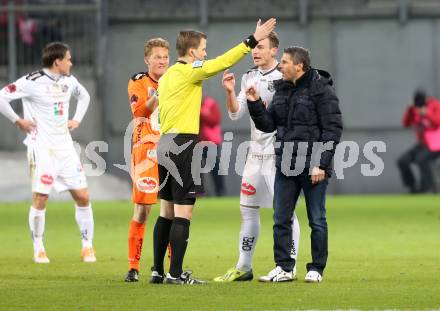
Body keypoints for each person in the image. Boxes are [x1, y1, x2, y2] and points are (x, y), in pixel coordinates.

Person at [151, 18, 277, 285]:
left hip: (164, 144)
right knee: (184, 212)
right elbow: (222, 62)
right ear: (193, 51)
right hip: (183, 145)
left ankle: (156, 271)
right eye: (203, 48)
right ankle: (175, 274)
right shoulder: (190, 69)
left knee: (166, 211)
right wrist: (251, 40)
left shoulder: (169, 75)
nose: (206, 52)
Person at [247, 46, 342, 283]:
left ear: (299, 66)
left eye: (285, 62)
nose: (280, 66)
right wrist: (255, 104)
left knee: (317, 220)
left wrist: (322, 164)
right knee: (281, 218)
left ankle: (316, 269)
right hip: (286, 164)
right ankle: (284, 268)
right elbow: (269, 126)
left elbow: (332, 129)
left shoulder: (321, 89)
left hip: (313, 168)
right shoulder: (282, 89)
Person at [213, 32, 300, 282]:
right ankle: (243, 266)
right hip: (254, 155)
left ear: (275, 51)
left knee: (285, 213)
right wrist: (230, 92)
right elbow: (235, 114)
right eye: (254, 47)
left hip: (277, 155)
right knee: (248, 211)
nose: (255, 51)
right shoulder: (248, 76)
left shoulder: (285, 78)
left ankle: (288, 266)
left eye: (261, 47)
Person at [0, 42, 95, 263]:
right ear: (57, 62)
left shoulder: (69, 82)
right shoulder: (31, 82)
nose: (71, 62)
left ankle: (87, 246)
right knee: (41, 197)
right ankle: (39, 248)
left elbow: (85, 97)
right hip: (41, 148)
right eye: (68, 59)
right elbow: (1, 96)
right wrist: (18, 121)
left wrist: (77, 119)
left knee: (83, 196)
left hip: (65, 147)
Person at [124, 38, 170, 282]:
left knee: (174, 208)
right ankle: (133, 267)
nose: (162, 61)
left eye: (165, 56)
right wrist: (161, 92)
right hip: (146, 150)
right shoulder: (138, 81)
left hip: (172, 147)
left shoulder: (176, 77)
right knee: (143, 211)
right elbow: (140, 112)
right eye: (157, 57)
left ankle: (171, 268)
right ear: (147, 60)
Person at [398, 89, 440, 193]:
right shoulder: (414, 108)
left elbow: (437, 122)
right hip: (423, 144)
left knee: (421, 159)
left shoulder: (435, 105)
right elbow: (406, 123)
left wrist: (427, 113)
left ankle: (431, 187)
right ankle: (412, 187)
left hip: (436, 144)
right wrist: (409, 109)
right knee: (402, 161)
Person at [199, 95, 225, 196]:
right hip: (197, 141)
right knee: (196, 168)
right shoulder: (192, 105)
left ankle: (220, 192)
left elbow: (215, 120)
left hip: (211, 141)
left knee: (214, 168)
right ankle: (200, 192)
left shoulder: (210, 103)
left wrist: (201, 113)